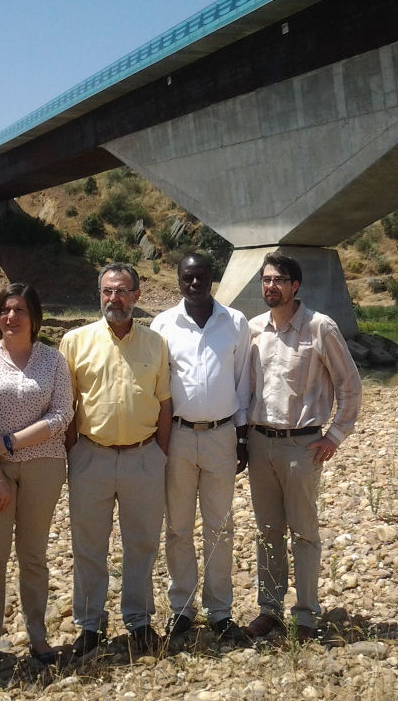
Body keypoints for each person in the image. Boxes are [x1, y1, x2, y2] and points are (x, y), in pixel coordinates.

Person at [244, 253, 362, 642]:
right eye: (265, 280)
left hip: (303, 446)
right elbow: (245, 389)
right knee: (267, 530)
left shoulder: (319, 327)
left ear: (295, 286)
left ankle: (307, 614)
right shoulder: (254, 329)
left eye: (278, 280)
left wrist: (334, 435)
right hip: (261, 443)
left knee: (304, 532)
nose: (270, 286)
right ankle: (270, 609)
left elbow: (350, 385)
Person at [0, 283, 73, 671]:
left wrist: (9, 442)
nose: (11, 317)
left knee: (34, 555)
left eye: (20, 310)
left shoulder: (54, 361)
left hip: (44, 464)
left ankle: (38, 637)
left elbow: (61, 415)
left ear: (34, 317)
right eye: (5, 310)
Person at [59, 263, 172, 655]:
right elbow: (67, 405)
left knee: (142, 544)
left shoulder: (155, 344)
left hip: (144, 457)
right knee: (89, 546)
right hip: (92, 457)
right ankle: (90, 625)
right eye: (108, 291)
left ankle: (139, 621)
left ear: (137, 296)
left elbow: (165, 404)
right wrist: (74, 452)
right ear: (100, 295)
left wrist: (160, 452)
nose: (115, 299)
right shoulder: (75, 342)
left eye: (122, 291)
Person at [150, 253, 251, 644]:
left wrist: (242, 436)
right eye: (187, 277)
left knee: (221, 526)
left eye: (202, 276)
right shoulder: (162, 325)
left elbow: (242, 381)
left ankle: (221, 611)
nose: (195, 283)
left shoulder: (235, 322)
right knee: (177, 527)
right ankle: (182, 608)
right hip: (177, 436)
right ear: (178, 280)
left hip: (222, 435)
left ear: (212, 278)